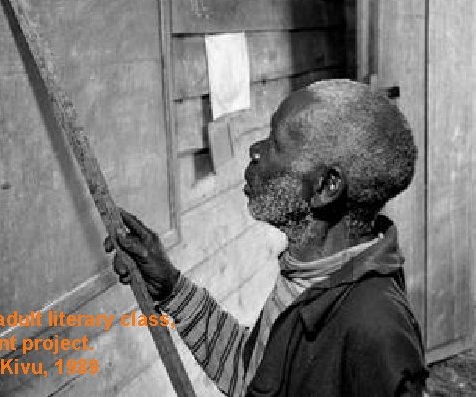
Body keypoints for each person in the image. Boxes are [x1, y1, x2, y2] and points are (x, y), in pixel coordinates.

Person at [104, 79, 428, 396]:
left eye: (275, 144)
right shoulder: (307, 276)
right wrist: (172, 288)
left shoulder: (375, 329)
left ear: (325, 187)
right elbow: (251, 376)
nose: (254, 151)